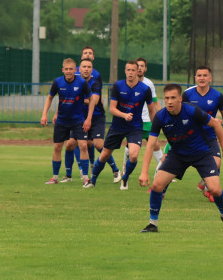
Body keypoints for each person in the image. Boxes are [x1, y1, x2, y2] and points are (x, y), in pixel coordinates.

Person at [137, 83, 223, 233]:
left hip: (201, 153)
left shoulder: (192, 111)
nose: (169, 101)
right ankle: (153, 224)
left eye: (173, 98)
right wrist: (144, 171)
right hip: (177, 155)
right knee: (157, 186)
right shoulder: (160, 117)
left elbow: (216, 125)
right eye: (166, 98)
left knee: (215, 190)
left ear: (180, 99)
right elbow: (150, 145)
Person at [89, 60, 156, 190]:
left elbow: (152, 111)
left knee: (134, 155)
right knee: (104, 155)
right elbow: (112, 109)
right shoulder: (118, 86)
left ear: (138, 72)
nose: (130, 73)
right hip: (117, 126)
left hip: (135, 127)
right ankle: (92, 180)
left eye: (133, 70)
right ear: (125, 71)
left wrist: (156, 127)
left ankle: (125, 178)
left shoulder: (145, 89)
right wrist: (124, 115)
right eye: (128, 70)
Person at [182, 65, 223, 201]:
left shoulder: (217, 96)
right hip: (190, 136)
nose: (202, 78)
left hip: (209, 136)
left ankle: (207, 188)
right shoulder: (188, 94)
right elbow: (181, 113)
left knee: (216, 163)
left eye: (205, 75)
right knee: (171, 161)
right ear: (195, 78)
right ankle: (159, 189)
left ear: (210, 78)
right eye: (199, 75)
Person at [65, 50, 121, 182]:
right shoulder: (74, 82)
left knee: (98, 144)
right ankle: (69, 176)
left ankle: (116, 170)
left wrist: (76, 99)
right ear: (79, 69)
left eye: (89, 67)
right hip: (80, 118)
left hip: (96, 117)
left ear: (92, 69)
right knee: (71, 144)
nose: (86, 69)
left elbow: (94, 101)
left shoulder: (95, 82)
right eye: (84, 67)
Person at [40, 58, 95, 186]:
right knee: (57, 147)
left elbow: (92, 100)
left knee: (83, 145)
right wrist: (44, 114)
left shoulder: (82, 83)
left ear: (75, 70)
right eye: (66, 69)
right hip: (62, 121)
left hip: (78, 120)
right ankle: (55, 177)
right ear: (63, 70)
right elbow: (49, 98)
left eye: (71, 69)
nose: (69, 72)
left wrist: (89, 119)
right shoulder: (57, 82)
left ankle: (86, 178)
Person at [135, 57, 163, 167]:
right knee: (131, 147)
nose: (139, 68)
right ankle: (124, 171)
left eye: (142, 66)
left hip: (147, 120)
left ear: (145, 69)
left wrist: (162, 116)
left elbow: (155, 102)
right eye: (137, 66)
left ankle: (163, 170)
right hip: (134, 120)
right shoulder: (129, 83)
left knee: (155, 145)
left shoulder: (149, 84)